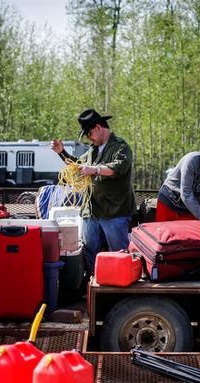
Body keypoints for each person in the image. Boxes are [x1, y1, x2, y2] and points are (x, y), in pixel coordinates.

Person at [51, 108, 135, 275]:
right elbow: (77, 166)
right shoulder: (92, 150)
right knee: (89, 251)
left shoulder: (121, 147)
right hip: (91, 210)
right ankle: (93, 284)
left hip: (115, 212)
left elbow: (118, 167)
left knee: (119, 253)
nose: (89, 137)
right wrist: (61, 152)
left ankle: (118, 288)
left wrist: (94, 170)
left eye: (89, 133)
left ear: (98, 128)